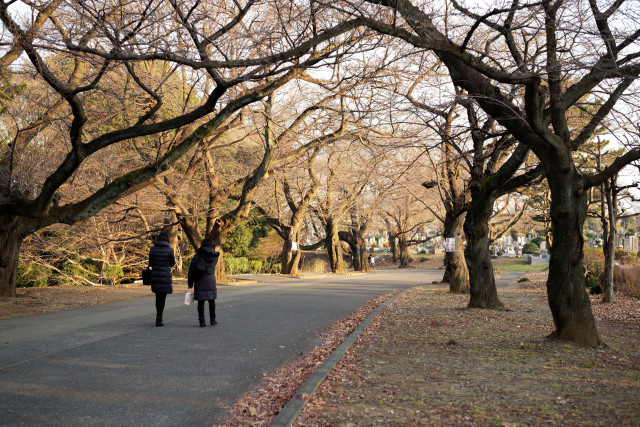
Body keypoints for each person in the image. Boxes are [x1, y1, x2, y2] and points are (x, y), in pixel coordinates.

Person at [188, 237, 220, 327]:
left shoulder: (199, 254)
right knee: (211, 300)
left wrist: (190, 280)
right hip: (211, 280)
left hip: (200, 279)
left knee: (201, 302)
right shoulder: (215, 256)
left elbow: (192, 267)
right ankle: (213, 319)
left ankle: (202, 321)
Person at [148, 231, 176, 327]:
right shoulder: (170, 250)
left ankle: (158, 316)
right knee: (163, 297)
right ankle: (159, 318)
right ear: (167, 240)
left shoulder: (153, 249)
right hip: (165, 276)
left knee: (157, 296)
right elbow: (172, 263)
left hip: (155, 275)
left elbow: (150, 263)